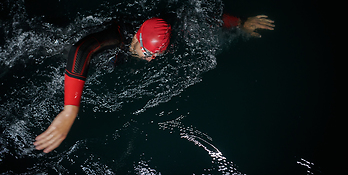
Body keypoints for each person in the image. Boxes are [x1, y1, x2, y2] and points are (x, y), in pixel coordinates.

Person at [33, 13, 274, 153]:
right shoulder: (117, 37)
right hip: (68, 44)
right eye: (147, 52)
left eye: (156, 56)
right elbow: (81, 48)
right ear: (137, 38)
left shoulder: (168, 31)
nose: (150, 59)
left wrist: (240, 23)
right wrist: (69, 110)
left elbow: (206, 20)